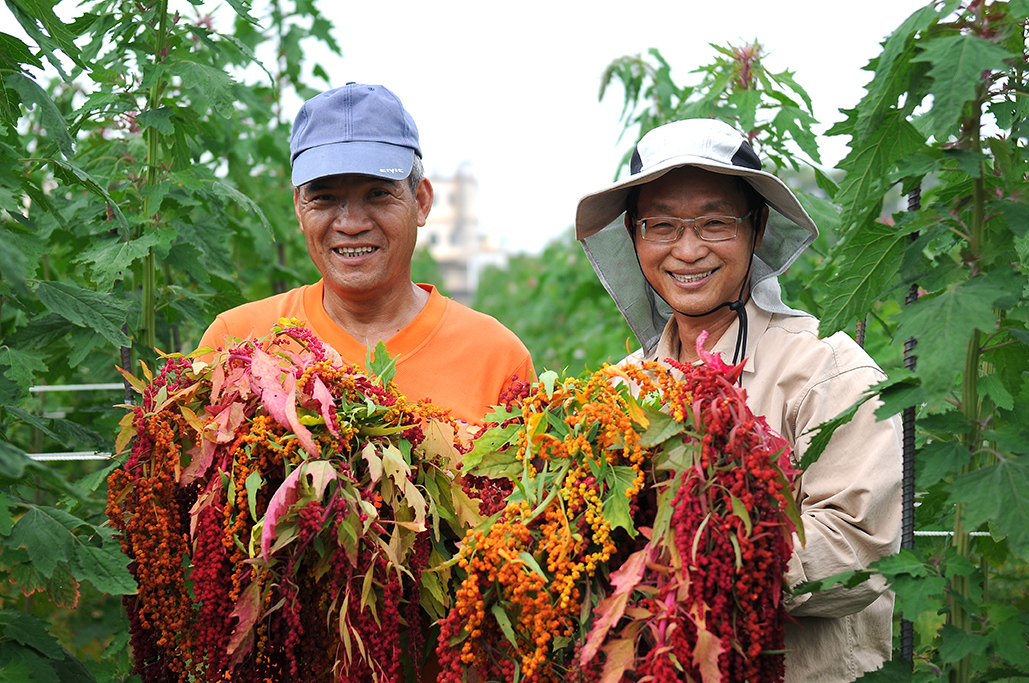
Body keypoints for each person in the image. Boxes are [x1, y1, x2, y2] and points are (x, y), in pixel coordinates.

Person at [575, 118, 902, 682]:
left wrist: (698, 553)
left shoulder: (825, 370)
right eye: (662, 225)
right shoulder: (621, 390)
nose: (687, 249)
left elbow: (857, 552)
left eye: (714, 222)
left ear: (758, 226)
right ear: (633, 235)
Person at [199, 83, 533, 424]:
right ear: (299, 209)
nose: (351, 223)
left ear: (421, 202)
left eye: (377, 194)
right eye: (325, 198)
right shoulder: (237, 344)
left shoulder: (497, 360)